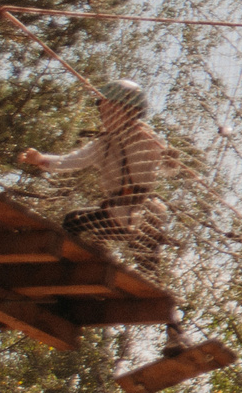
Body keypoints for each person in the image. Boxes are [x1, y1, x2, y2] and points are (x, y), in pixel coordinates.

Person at [19, 79, 171, 271]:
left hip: (145, 212)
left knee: (145, 262)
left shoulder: (146, 138)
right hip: (119, 211)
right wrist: (41, 159)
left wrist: (170, 159)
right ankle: (79, 264)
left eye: (113, 111)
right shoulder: (103, 144)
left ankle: (70, 264)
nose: (107, 117)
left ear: (132, 112)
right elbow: (73, 160)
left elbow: (167, 166)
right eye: (104, 112)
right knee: (75, 222)